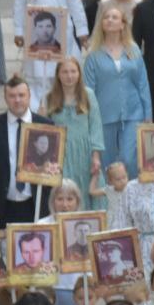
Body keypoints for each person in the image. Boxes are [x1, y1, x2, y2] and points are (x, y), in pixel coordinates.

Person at [15, 0, 90, 108]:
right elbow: (19, 4)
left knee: (61, 73)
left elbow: (75, 3)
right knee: (36, 76)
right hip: (35, 33)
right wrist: (19, 32)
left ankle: (60, 108)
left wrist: (82, 31)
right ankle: (38, 110)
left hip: (60, 33)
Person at [84, 5, 153, 179]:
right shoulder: (94, 55)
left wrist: (148, 114)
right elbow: (88, 90)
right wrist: (90, 118)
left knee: (129, 159)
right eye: (106, 17)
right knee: (107, 164)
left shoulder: (133, 49)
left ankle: (130, 196)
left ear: (123, 24)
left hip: (133, 113)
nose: (109, 20)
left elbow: (142, 83)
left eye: (114, 17)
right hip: (103, 116)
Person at [0, 77, 55, 229]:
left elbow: (54, 167)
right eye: (12, 96)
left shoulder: (45, 126)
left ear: (29, 96)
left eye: (21, 95)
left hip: (36, 205)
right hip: (2, 207)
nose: (17, 100)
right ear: (5, 98)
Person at [41, 57, 106, 209]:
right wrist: (41, 117)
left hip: (85, 153)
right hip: (62, 155)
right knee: (67, 194)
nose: (69, 76)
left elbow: (95, 126)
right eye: (65, 72)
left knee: (87, 192)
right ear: (58, 74)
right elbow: (44, 133)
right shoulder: (49, 98)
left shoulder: (88, 95)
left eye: (73, 71)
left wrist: (96, 157)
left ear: (79, 73)